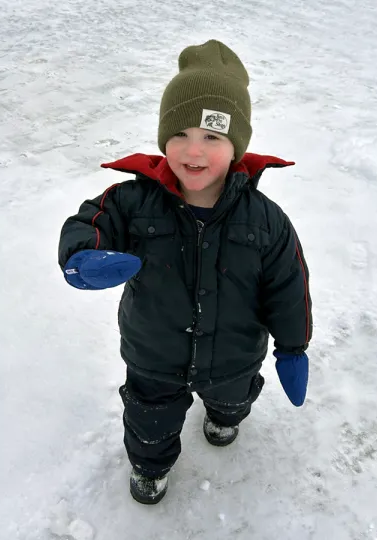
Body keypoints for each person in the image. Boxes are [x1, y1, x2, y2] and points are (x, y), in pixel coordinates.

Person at [57, 39, 313, 505]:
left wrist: (293, 347)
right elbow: (90, 222)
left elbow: (288, 287)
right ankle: (149, 467)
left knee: (234, 399)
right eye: (181, 135)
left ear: (235, 146)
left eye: (212, 137)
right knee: (149, 422)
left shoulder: (265, 220)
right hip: (154, 355)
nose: (193, 151)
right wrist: (82, 256)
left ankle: (224, 418)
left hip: (235, 355)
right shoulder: (134, 201)